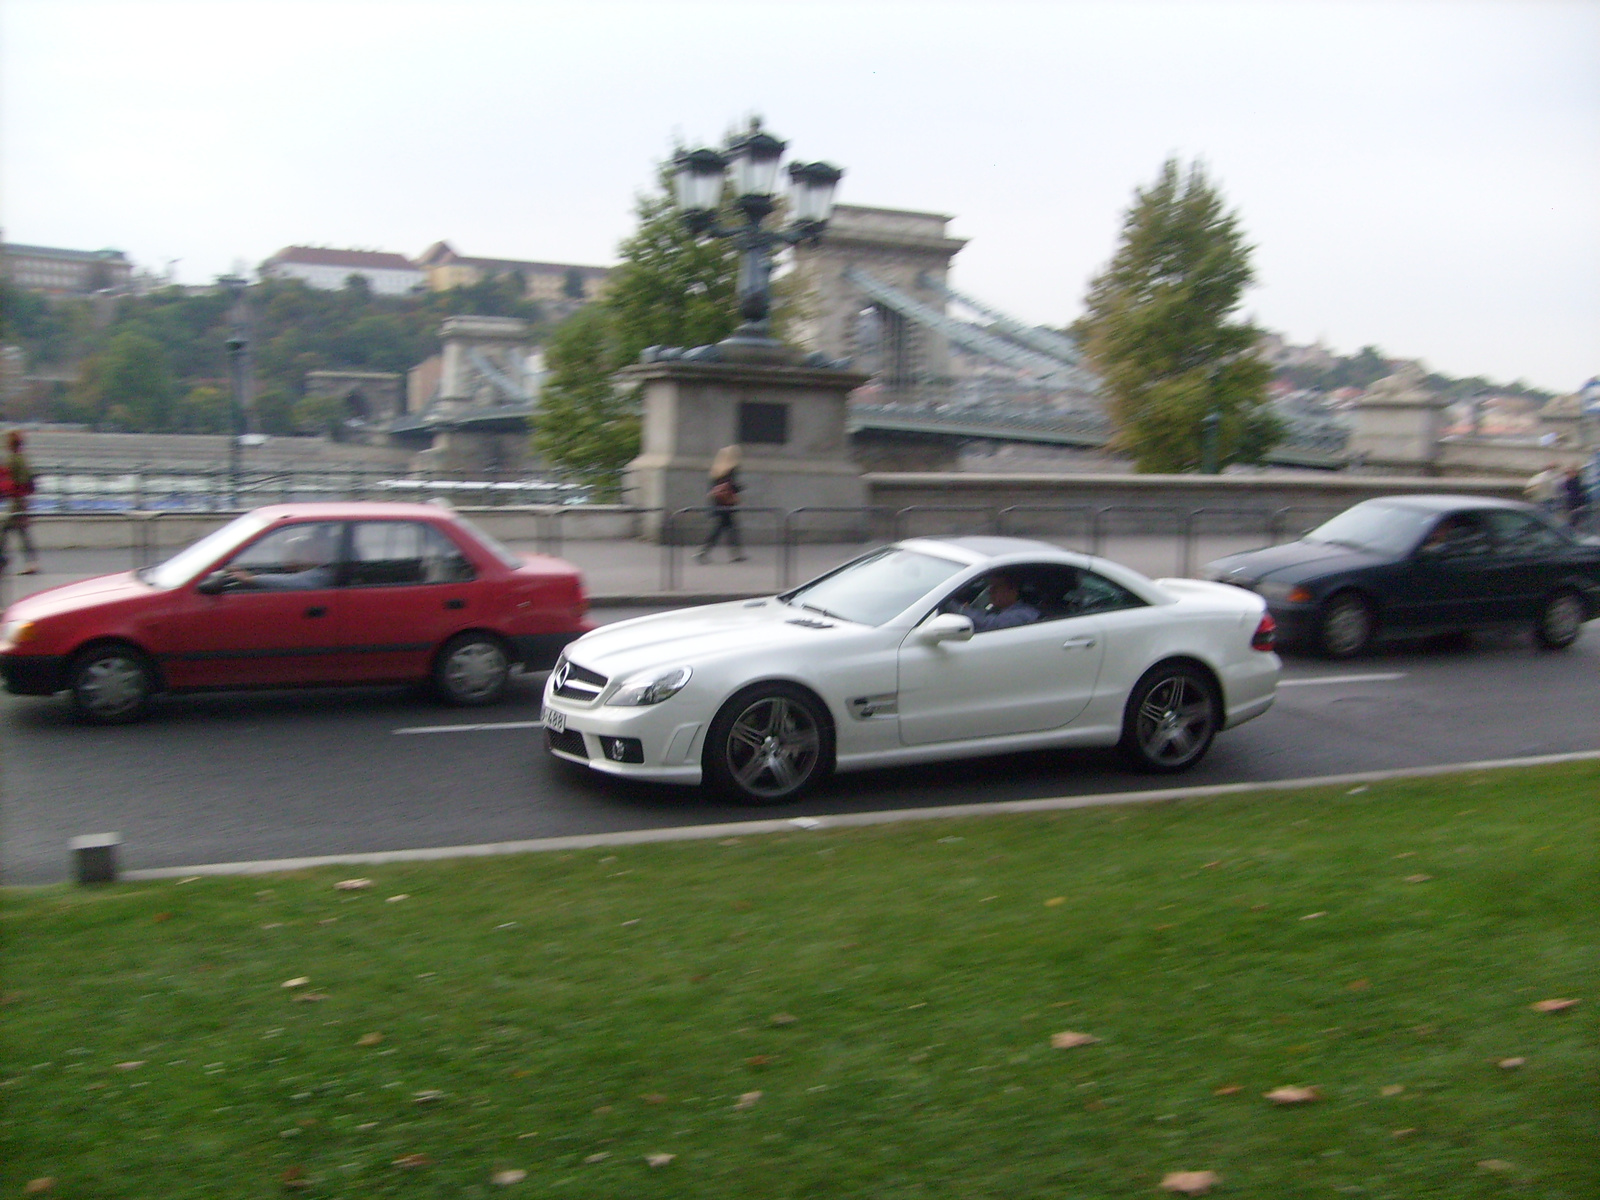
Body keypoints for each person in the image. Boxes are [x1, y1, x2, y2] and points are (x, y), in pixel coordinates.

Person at [225, 529, 338, 590]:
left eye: (300, 551)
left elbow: (293, 581)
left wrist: (252, 579)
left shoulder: (323, 574)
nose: (293, 557)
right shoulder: (318, 569)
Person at [695, 445, 745, 563]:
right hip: (726, 504)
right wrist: (740, 488)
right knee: (724, 529)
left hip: (717, 503)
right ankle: (703, 551)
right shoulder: (731, 469)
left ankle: (734, 554)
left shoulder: (716, 469)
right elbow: (731, 486)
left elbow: (714, 488)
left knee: (727, 528)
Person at [0, 430, 40, 575]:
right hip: (20, 500)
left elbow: (16, 481)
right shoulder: (21, 458)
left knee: (6, 529)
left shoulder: (14, 459)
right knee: (20, 532)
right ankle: (31, 562)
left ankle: (3, 560)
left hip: (17, 501)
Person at [949, 573, 1041, 632]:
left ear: (1012, 590)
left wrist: (959, 608)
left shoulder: (1022, 614)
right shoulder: (1000, 610)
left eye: (995, 588)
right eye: (990, 587)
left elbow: (987, 623)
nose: (990, 591)